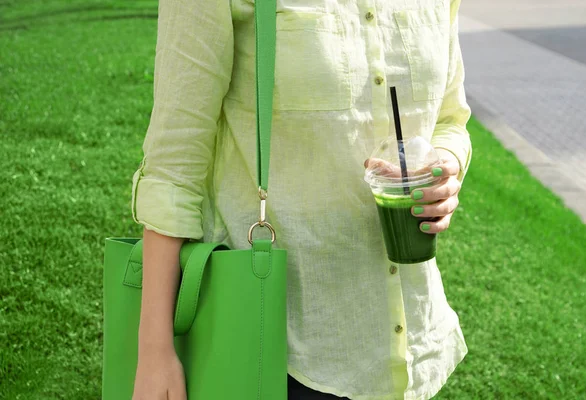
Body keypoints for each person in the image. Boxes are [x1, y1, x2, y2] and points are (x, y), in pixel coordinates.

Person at [130, 0, 473, 398]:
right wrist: (155, 351)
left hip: (412, 344)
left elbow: (451, 120)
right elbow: (174, 167)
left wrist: (443, 166)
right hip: (276, 352)